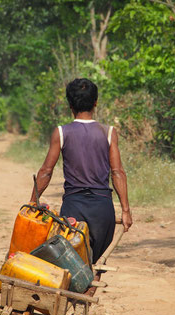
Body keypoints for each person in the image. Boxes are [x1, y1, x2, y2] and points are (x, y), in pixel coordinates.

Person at [30, 78, 132, 265]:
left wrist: (32, 201)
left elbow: (46, 171)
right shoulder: (108, 132)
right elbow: (117, 172)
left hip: (73, 209)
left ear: (70, 104)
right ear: (95, 102)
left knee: (70, 262)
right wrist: (126, 210)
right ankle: (91, 289)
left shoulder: (62, 132)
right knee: (97, 264)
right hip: (103, 210)